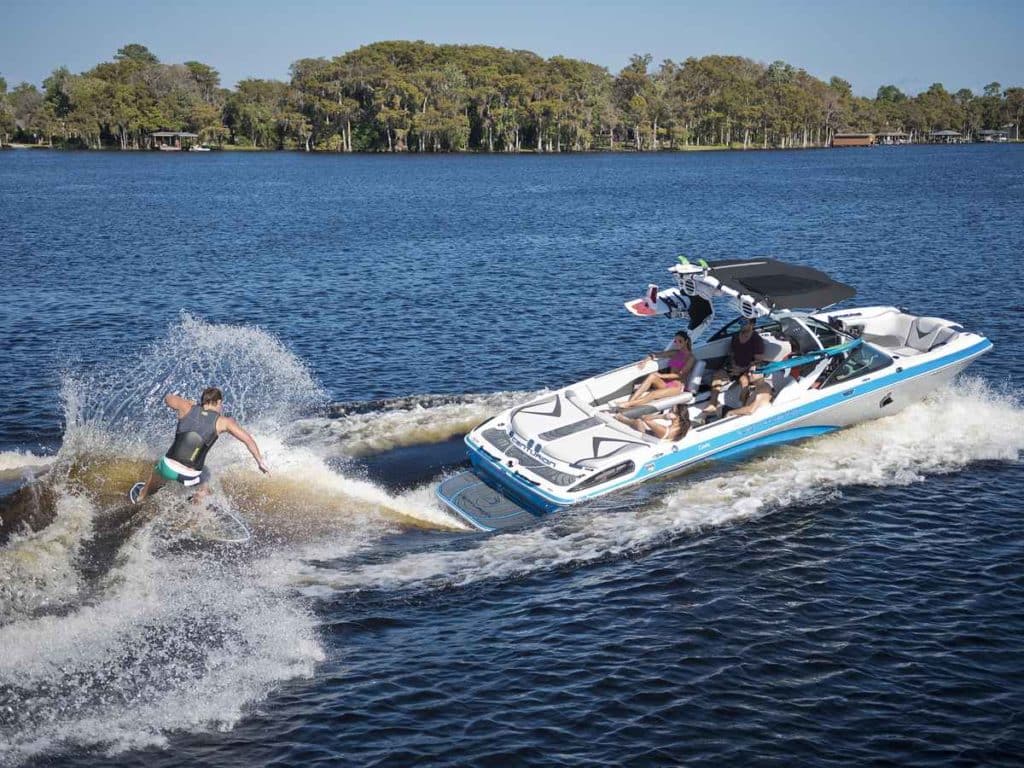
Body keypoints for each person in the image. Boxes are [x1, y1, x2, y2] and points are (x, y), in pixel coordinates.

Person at [130, 387, 269, 504]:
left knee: (156, 472)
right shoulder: (224, 422)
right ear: (218, 402)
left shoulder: (186, 407)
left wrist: (186, 402)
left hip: (168, 468)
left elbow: (168, 398)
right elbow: (248, 440)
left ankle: (141, 496)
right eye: (221, 404)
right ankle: (197, 504)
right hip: (190, 476)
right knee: (206, 475)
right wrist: (260, 461)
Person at [619, 331, 696, 409]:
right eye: (675, 341)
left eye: (680, 341)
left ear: (686, 341)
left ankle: (629, 404)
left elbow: (680, 375)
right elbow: (656, 354)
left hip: (677, 387)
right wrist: (645, 361)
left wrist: (661, 375)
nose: (677, 343)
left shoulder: (690, 358)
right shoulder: (675, 353)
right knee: (652, 376)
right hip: (667, 383)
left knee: (653, 394)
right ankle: (630, 401)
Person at [709, 317, 766, 406]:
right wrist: (733, 365)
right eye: (740, 322)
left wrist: (742, 369)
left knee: (744, 381)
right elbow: (732, 354)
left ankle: (742, 404)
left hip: (746, 370)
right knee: (717, 375)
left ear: (752, 324)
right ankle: (713, 404)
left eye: (744, 322)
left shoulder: (756, 340)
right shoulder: (735, 336)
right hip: (735, 368)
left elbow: (758, 361)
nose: (741, 324)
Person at [617, 403, 690, 441]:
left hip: (649, 438)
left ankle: (619, 418)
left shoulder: (665, 431)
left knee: (638, 421)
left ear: (676, 416)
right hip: (658, 435)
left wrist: (663, 416)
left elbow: (645, 418)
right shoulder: (685, 425)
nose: (669, 411)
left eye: (671, 411)